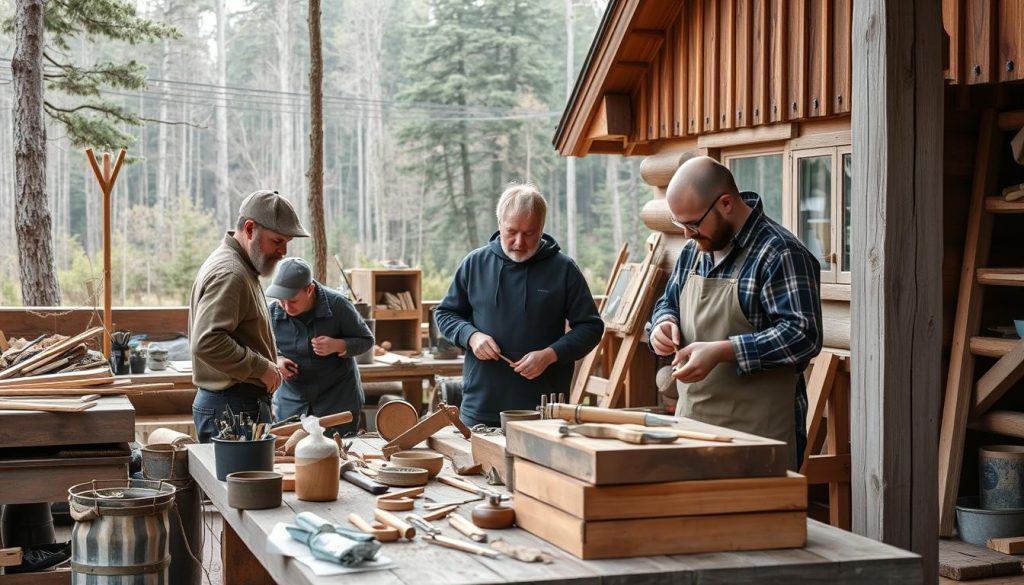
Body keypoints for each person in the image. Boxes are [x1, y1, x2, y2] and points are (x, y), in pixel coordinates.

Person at [648, 156, 822, 467]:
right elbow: (668, 302)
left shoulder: (780, 253)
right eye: (680, 224)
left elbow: (803, 335)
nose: (687, 234)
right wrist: (663, 322)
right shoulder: (692, 253)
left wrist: (724, 350)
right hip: (694, 430)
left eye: (693, 223)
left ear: (726, 203)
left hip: (760, 439)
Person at [435, 183, 604, 427]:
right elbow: (446, 314)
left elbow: (590, 328)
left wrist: (549, 355)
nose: (519, 242)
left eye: (529, 233)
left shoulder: (563, 269)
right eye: (511, 231)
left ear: (542, 228)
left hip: (544, 408)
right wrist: (471, 336)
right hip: (480, 405)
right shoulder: (475, 263)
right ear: (499, 224)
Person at [189, 190, 309, 443]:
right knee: (237, 483)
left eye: (287, 242)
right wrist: (261, 367)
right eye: (277, 241)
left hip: (233, 404)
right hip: (232, 408)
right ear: (250, 228)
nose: (284, 251)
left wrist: (268, 361)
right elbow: (208, 341)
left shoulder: (241, 267)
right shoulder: (231, 273)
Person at [265, 257, 374, 437]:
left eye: (292, 300)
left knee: (337, 455)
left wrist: (339, 345)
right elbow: (260, 349)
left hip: (337, 401)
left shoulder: (338, 305)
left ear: (309, 290)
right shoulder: (271, 312)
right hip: (292, 401)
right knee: (291, 454)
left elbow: (366, 340)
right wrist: (277, 360)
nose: (285, 306)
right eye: (280, 300)